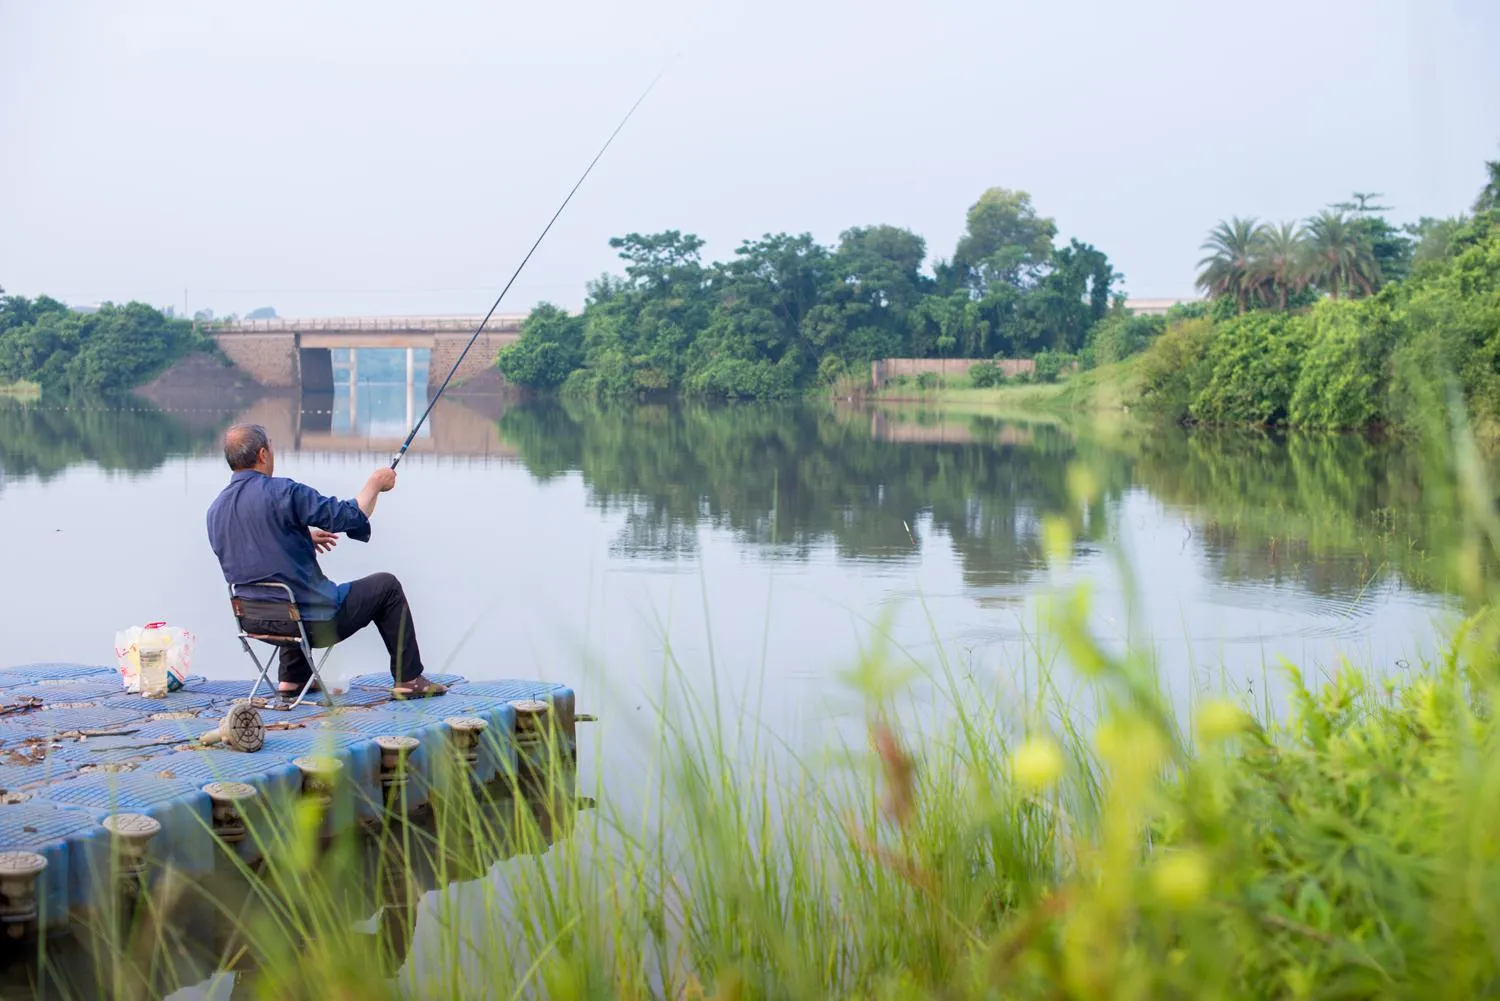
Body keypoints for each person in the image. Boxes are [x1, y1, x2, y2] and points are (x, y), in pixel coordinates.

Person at [205, 422, 446, 699]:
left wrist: (300, 537)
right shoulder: (285, 492)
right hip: (313, 623)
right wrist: (375, 484)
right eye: (271, 446)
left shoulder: (215, 510)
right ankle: (409, 679)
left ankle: (293, 678)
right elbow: (346, 516)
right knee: (387, 587)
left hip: (254, 623)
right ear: (262, 454)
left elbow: (251, 555)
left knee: (284, 589)